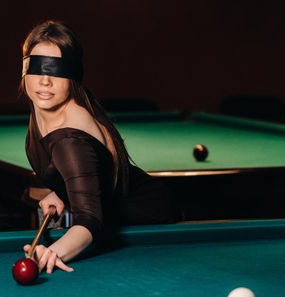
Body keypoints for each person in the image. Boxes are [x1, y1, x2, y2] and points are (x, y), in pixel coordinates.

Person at [21, 20, 181, 274]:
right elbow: (93, 176)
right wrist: (61, 190)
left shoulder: (69, 140)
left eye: (56, 71)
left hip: (150, 224)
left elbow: (90, 220)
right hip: (124, 217)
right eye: (38, 67)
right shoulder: (43, 111)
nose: (45, 81)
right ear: (25, 69)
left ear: (73, 75)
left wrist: (53, 252)